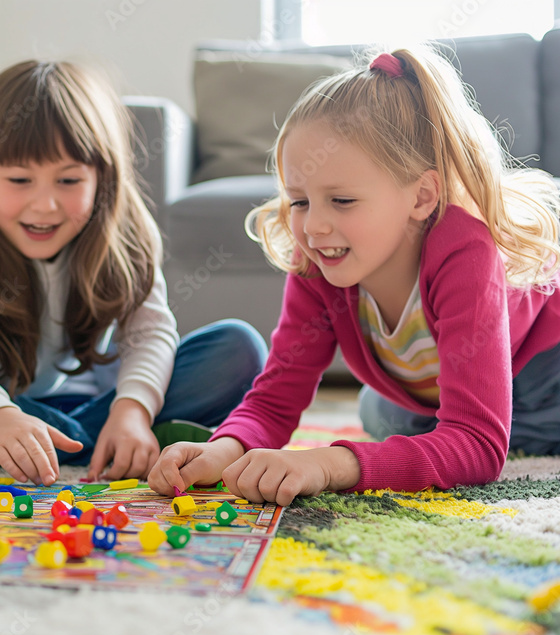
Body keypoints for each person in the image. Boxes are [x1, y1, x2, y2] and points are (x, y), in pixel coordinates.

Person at [149, 46, 560, 506]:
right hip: (435, 398)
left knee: (407, 432)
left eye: (341, 201)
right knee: (381, 416)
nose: (313, 226)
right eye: (299, 201)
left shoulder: (465, 250)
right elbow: (275, 397)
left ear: (422, 197)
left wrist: (326, 463)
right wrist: (222, 449)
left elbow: (478, 445)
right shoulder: (318, 258)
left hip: (546, 376)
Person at [0, 60, 266, 486]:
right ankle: (62, 440)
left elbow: (149, 335)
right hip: (3, 400)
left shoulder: (129, 228)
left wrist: (132, 410)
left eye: (68, 180)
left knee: (239, 350)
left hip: (104, 401)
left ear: (102, 178)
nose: (45, 205)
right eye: (20, 179)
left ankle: (91, 437)